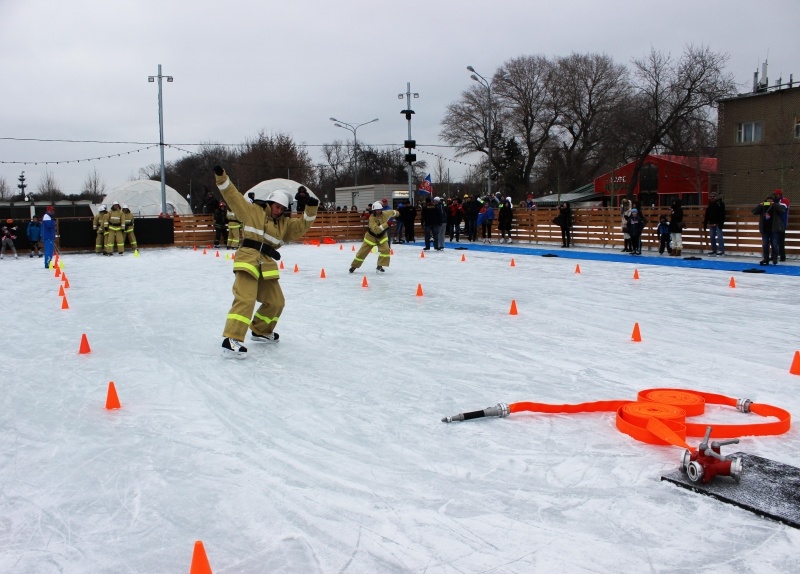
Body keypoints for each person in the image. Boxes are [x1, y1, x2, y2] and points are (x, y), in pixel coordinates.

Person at [213, 165, 319, 358]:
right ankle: (231, 339)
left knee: (276, 302)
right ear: (270, 203)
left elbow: (302, 226)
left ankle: (260, 330)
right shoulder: (253, 212)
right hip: (248, 259)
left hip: (266, 263)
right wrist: (222, 178)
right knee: (246, 299)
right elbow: (233, 197)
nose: (279, 211)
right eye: (277, 207)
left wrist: (311, 208)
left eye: (283, 209)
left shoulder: (285, 225)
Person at [349, 201, 401, 273]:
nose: (379, 211)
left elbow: (393, 212)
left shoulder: (385, 213)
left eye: (380, 209)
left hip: (382, 237)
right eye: (377, 210)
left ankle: (380, 266)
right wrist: (387, 224)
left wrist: (398, 214)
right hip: (371, 237)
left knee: (386, 250)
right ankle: (353, 266)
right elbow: (376, 230)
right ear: (374, 211)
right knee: (362, 253)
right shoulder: (372, 218)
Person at [752, 194, 786, 266]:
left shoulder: (776, 206)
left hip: (774, 229)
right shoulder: (763, 207)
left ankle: (774, 258)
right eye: (768, 200)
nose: (769, 201)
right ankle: (766, 258)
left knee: (774, 244)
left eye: (771, 200)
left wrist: (774, 205)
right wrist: (760, 205)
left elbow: (783, 211)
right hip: (765, 229)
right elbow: (754, 212)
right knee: (765, 244)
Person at [774, 189, 789, 261]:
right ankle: (774, 255)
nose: (775, 196)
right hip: (775, 223)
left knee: (780, 241)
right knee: (774, 240)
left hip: (781, 223)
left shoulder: (784, 201)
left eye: (776, 195)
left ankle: (782, 256)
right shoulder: (774, 201)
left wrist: (774, 204)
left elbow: (782, 209)